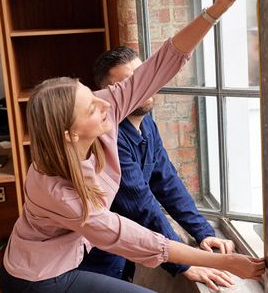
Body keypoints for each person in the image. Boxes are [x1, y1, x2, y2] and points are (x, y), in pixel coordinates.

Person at [0, 0, 263, 293]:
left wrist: (219, 6)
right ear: (70, 133)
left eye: (95, 96)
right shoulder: (59, 192)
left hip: (79, 253)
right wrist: (218, 262)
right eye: (92, 107)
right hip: (40, 278)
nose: (107, 105)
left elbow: (163, 62)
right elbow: (130, 232)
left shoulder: (105, 114)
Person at [78, 46, 235, 290]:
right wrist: (184, 262)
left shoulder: (147, 122)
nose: (145, 86)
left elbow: (166, 180)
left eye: (144, 76)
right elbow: (142, 206)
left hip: (119, 251)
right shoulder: (109, 136)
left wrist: (203, 231)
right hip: (91, 257)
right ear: (113, 94)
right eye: (132, 83)